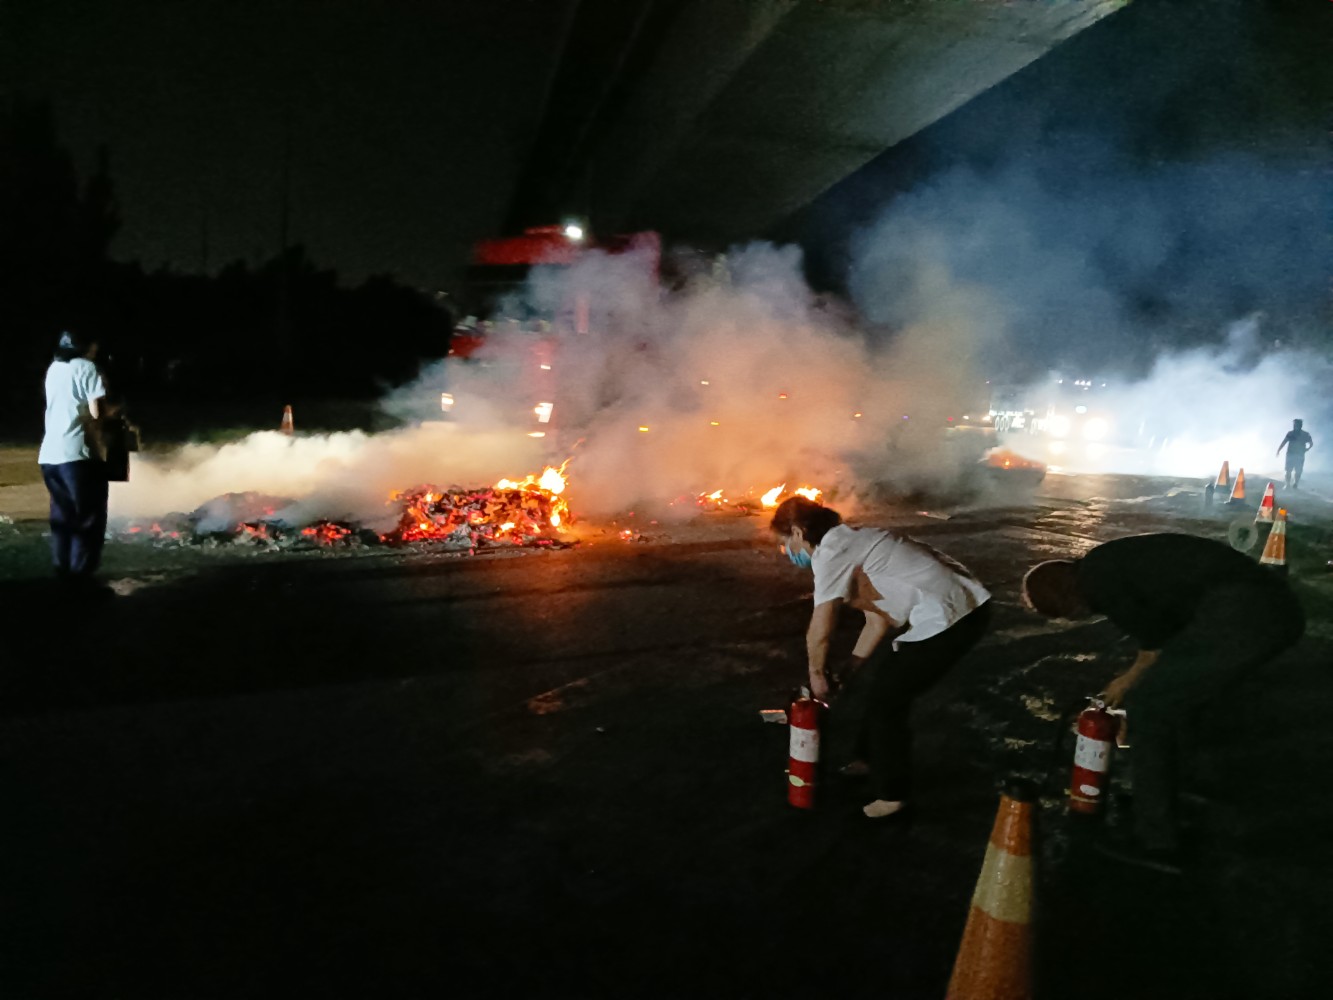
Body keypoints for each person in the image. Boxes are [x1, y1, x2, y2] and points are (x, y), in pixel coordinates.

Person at [1023, 533, 1303, 872]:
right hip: (1265, 609)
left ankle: (1157, 840)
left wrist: (1124, 685)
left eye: (1065, 614)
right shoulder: (1107, 564)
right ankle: (1167, 793)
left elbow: (1152, 650)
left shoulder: (1099, 579)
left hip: (1244, 615)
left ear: (1065, 597)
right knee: (1173, 698)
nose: (1074, 619)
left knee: (1149, 709)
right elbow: (1164, 634)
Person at [771, 497, 991, 820]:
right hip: (959, 611)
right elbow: (877, 620)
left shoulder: (832, 551)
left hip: (953, 617)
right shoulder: (853, 541)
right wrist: (850, 669)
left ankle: (892, 795)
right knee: (883, 688)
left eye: (785, 542)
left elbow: (820, 627)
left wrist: (816, 674)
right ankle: (868, 758)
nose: (786, 551)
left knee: (888, 702)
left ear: (797, 532)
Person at [37, 330, 110, 586]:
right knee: (87, 518)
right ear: (87, 346)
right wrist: (111, 417)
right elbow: (97, 412)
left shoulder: (54, 368)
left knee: (62, 518)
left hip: (49, 456)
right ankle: (81, 578)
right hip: (78, 455)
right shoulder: (87, 367)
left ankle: (63, 572)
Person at [1275, 418, 1313, 489]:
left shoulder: (1305, 434)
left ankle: (1295, 484)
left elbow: (1311, 443)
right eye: (1294, 425)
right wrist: (1278, 450)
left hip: (1300, 455)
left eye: (1296, 425)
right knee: (1288, 470)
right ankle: (1287, 484)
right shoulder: (1290, 433)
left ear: (1300, 425)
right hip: (1290, 454)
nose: (1295, 426)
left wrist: (1307, 449)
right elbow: (1284, 442)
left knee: (1298, 471)